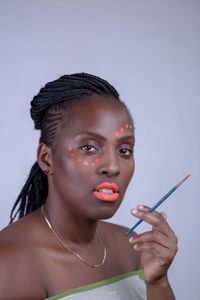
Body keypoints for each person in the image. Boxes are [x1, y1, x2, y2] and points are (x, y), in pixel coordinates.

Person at [0, 73, 178, 300]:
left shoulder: (131, 247)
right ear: (47, 158)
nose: (113, 167)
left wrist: (158, 283)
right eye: (88, 147)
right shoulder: (12, 261)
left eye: (124, 150)